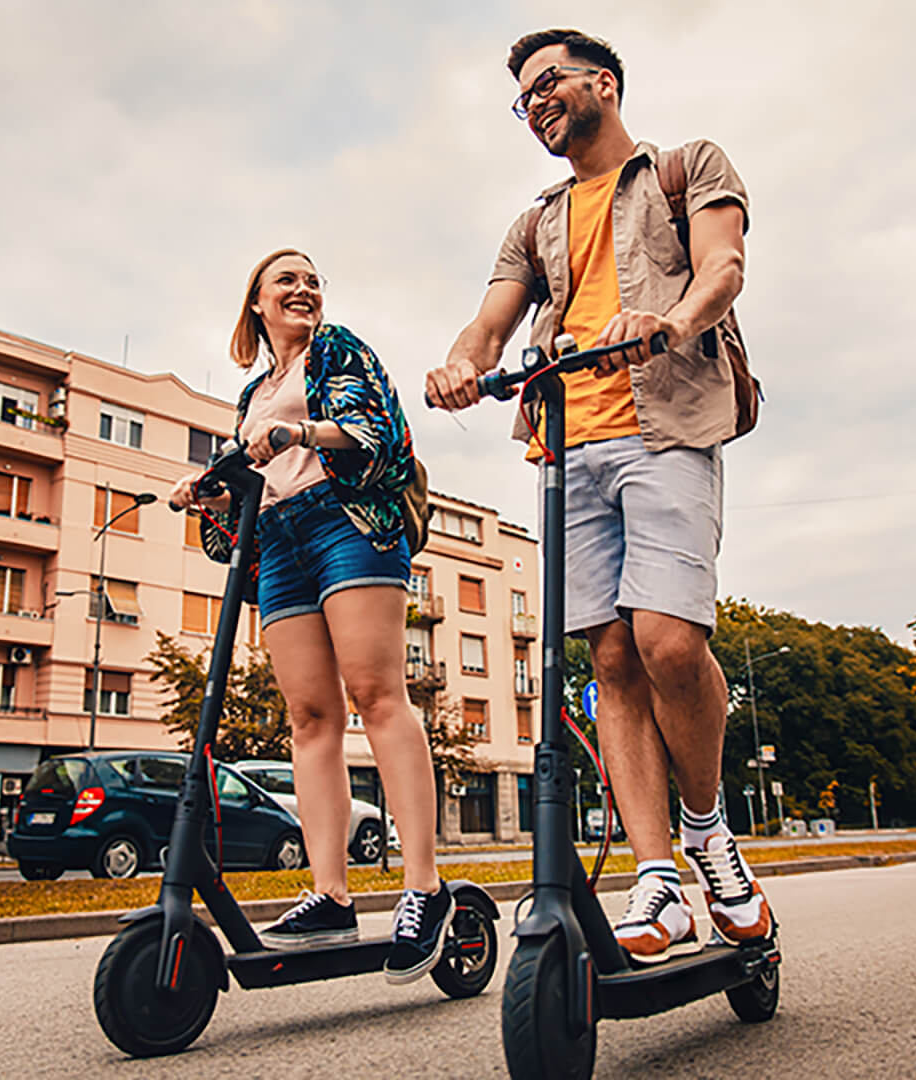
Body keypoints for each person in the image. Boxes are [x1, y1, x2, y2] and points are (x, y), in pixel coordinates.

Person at [425, 29, 774, 963]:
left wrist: (669, 320)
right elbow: (492, 318)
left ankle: (707, 832)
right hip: (568, 443)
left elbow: (724, 268)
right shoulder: (535, 220)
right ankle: (657, 878)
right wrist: (465, 362)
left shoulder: (686, 167)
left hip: (666, 428)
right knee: (612, 658)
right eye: (522, 98)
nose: (534, 103)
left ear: (603, 84)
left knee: (669, 640)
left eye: (547, 84)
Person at [170, 247, 451, 984]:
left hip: (345, 522)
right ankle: (329, 892)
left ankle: (424, 886)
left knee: (378, 694)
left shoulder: (337, 350)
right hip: (282, 537)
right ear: (256, 304)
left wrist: (301, 433)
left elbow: (375, 431)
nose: (303, 289)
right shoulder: (253, 393)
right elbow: (256, 477)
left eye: (312, 280)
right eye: (285, 281)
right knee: (309, 717)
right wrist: (212, 494)